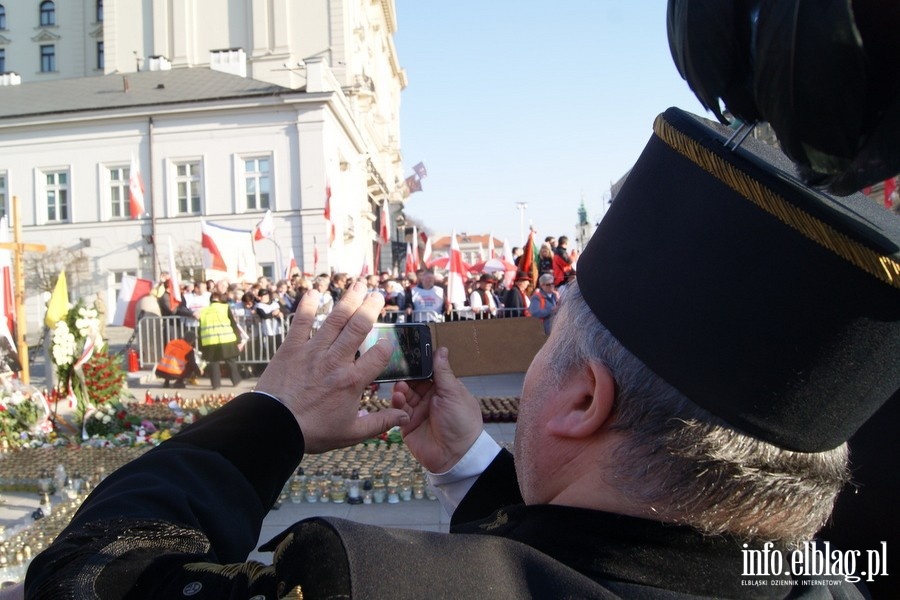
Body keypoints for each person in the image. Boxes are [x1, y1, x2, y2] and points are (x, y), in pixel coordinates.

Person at [24, 108, 900, 598]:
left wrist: (271, 417)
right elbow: (610, 564)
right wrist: (464, 464)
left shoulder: (360, 589)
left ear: (583, 401)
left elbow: (87, 578)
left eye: (553, 338)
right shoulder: (832, 578)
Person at [196, 290, 244, 390]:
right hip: (226, 339)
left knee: (214, 363)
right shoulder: (225, 307)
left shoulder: (204, 311)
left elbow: (200, 329)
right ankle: (236, 381)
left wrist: (201, 344)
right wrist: (239, 339)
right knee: (230, 361)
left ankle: (215, 384)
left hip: (209, 340)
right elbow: (233, 324)